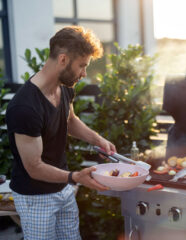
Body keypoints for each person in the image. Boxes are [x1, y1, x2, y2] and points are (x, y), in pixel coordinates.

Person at [5, 26, 116, 240]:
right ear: (63, 59)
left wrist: (99, 140)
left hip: (63, 189)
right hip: (35, 197)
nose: (84, 73)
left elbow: (70, 119)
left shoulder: (65, 87)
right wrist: (75, 177)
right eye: (82, 66)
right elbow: (34, 167)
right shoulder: (25, 107)